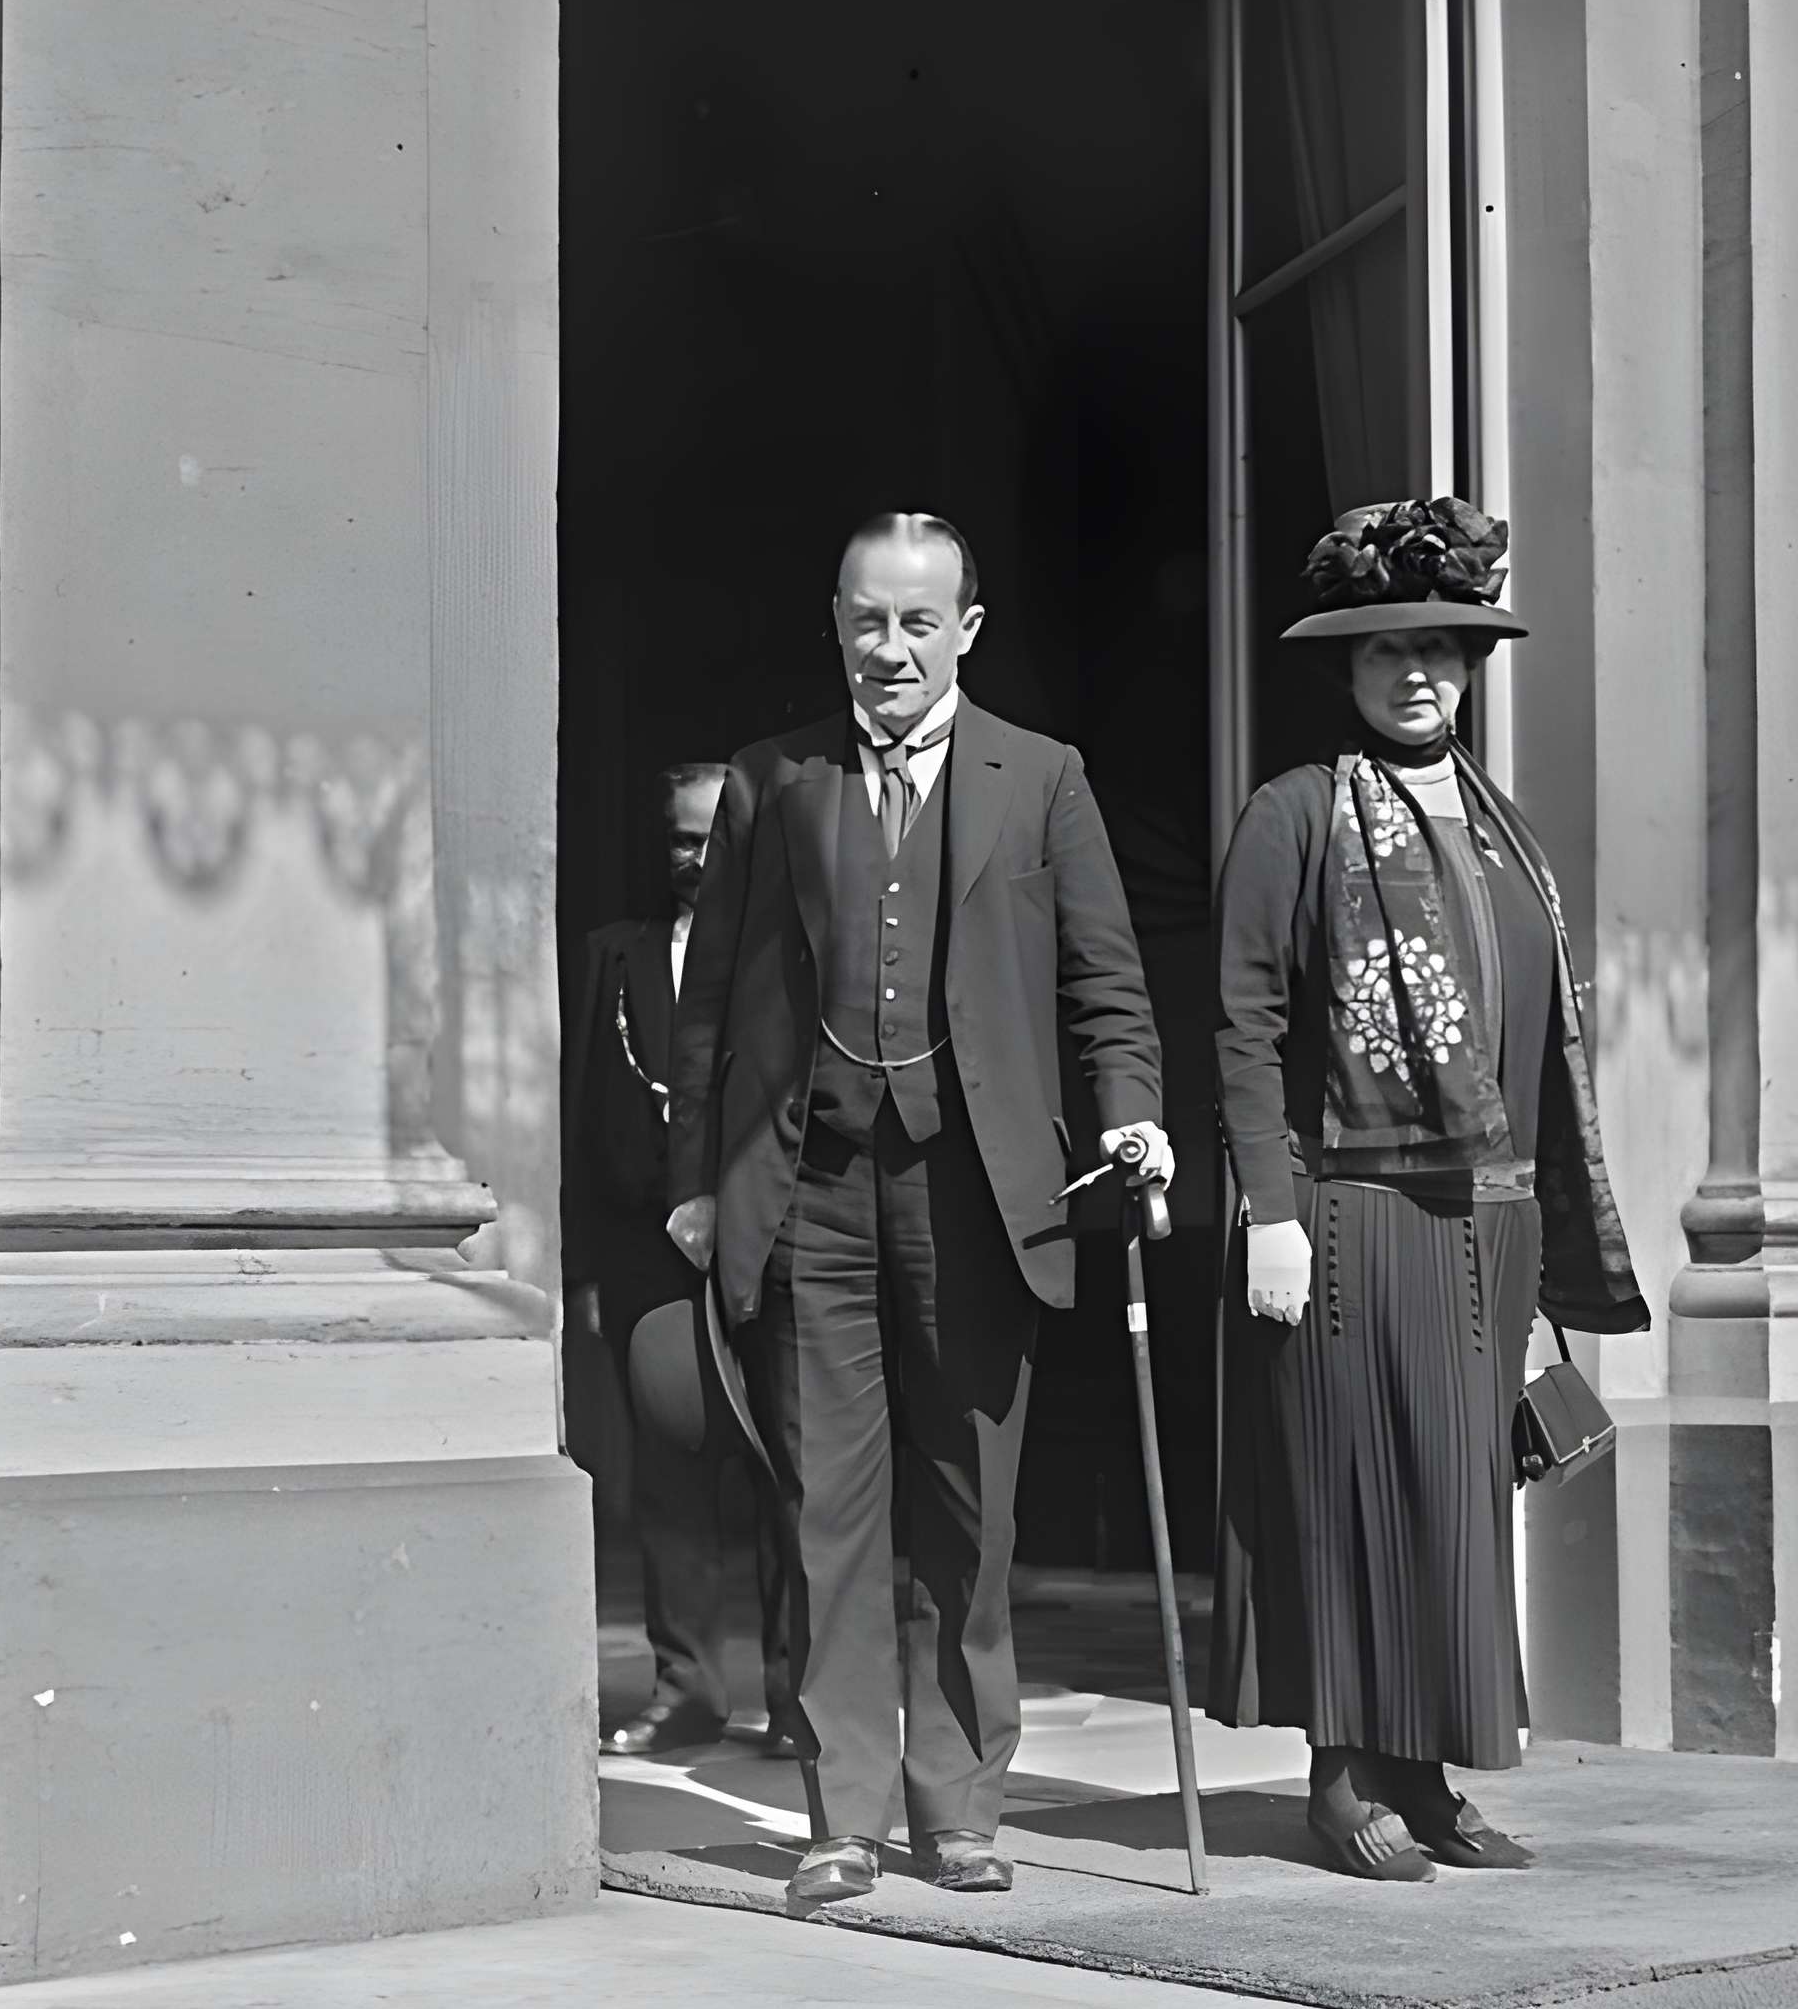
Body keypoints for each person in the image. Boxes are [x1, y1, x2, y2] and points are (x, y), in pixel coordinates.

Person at [665, 510, 1172, 1907]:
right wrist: (697, 1186)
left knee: (969, 1514)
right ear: (836, 622)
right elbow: (710, 1004)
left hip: (977, 1196)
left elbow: (1105, 982)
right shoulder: (776, 781)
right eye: (865, 621)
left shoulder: (1043, 779)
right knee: (828, 1510)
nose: (889, 650)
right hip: (810, 1187)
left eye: (916, 623)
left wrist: (1132, 1105)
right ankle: (841, 1818)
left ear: (968, 631)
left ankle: (958, 1811)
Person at [1209, 498, 1650, 1881]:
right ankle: (1341, 1774)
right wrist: (1267, 1210)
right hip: (1348, 1204)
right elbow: (1241, 1026)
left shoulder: (1510, 831)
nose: (1421, 673)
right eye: (1391, 650)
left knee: (1459, 1493)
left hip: (1490, 1210)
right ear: (1345, 669)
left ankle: (1432, 1765)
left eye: (1447, 651)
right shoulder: (1293, 815)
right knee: (1349, 1482)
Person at [571, 762, 792, 1760]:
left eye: (714, 837)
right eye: (679, 838)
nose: (695, 859)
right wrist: (584, 1264)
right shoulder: (612, 958)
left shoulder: (791, 954)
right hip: (643, 1256)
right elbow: (582, 1112)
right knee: (667, 1474)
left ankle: (801, 1698)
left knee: (793, 1469)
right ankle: (688, 1690)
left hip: (775, 1248)